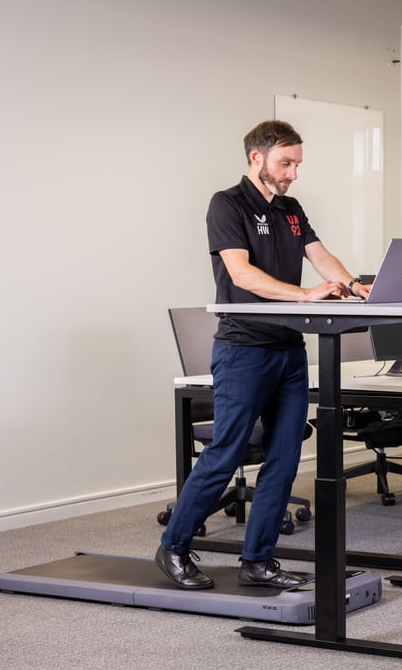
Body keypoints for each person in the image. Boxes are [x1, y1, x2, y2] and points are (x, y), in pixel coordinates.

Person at [155, 120, 370, 590]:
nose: (293, 173)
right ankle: (173, 545)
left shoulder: (291, 208)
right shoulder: (226, 204)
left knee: (285, 456)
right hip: (243, 349)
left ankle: (258, 560)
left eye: (296, 164)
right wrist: (306, 296)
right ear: (257, 158)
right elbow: (242, 273)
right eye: (285, 163)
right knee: (226, 451)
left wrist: (352, 284)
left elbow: (319, 253)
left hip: (289, 350)